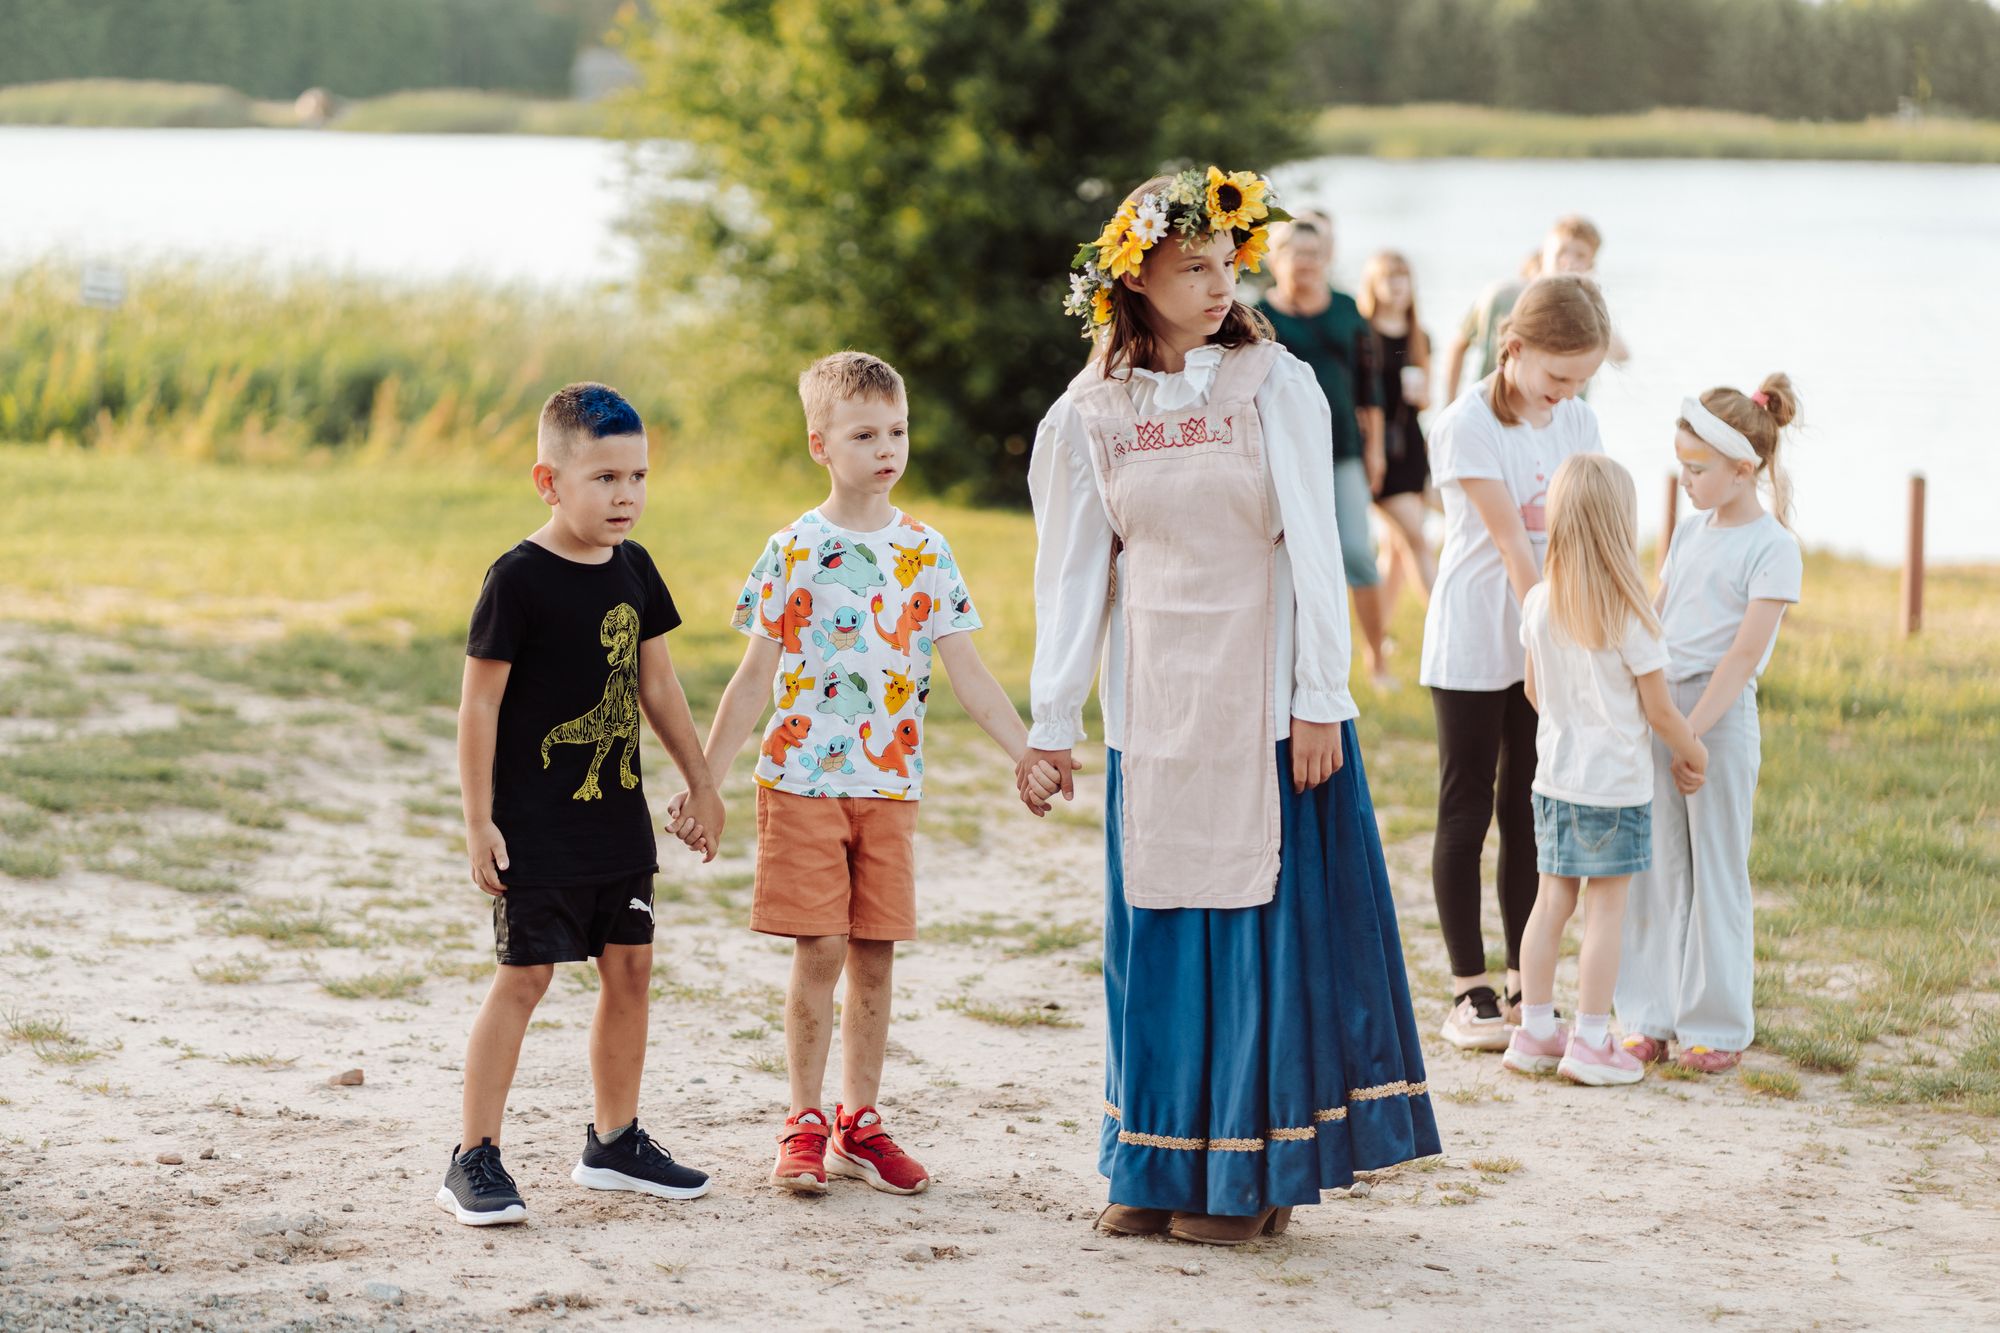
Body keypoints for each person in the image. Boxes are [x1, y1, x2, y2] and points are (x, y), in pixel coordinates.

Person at [1024, 167, 1438, 1247]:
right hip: (1158, 703)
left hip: (1269, 700)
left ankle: (1250, 1175)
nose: (1218, 288)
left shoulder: (1273, 385)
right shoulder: (1090, 411)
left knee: (1260, 933)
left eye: (1225, 266)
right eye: (1191, 269)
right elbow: (1072, 575)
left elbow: (1318, 546)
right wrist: (1053, 722)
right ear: (1134, 279)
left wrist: (1320, 697)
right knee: (1161, 933)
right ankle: (1154, 1161)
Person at [686, 351, 1048, 1196]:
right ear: (820, 444)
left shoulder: (927, 550)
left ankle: (860, 1122)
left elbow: (968, 671)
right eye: (864, 435)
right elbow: (752, 679)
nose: (887, 449)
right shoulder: (793, 549)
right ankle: (803, 1120)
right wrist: (707, 778)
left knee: (875, 955)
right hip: (801, 783)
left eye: (897, 431)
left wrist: (1025, 750)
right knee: (820, 949)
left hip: (889, 789)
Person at [441, 383, 723, 1226]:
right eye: (604, 477)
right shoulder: (518, 579)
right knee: (525, 976)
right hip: (535, 828)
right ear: (549, 481)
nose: (626, 495)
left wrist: (703, 781)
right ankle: (473, 1156)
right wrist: (478, 819)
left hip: (616, 823)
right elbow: (478, 706)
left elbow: (658, 685)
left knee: (629, 968)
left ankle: (614, 1142)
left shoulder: (635, 568)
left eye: (637, 476)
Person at [1419, 275, 1613, 1050]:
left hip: (1549, 634)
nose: (1568, 393)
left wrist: (1581, 636)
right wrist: (1541, 636)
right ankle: (1469, 989)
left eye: (1581, 379)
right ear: (1514, 346)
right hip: (1476, 635)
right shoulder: (1465, 424)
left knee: (1530, 810)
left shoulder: (1580, 421)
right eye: (1558, 375)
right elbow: (1510, 542)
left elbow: (1582, 535)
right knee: (1466, 806)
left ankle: (1525, 982)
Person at [1616, 375, 1803, 1073]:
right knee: (1656, 868)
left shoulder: (1773, 546)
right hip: (1664, 711)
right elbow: (1658, 616)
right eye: (1681, 466)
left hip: (1716, 722)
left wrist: (1691, 735)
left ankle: (1716, 1024)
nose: (1686, 480)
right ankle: (1648, 1015)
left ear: (1743, 469)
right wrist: (1657, 715)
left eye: (1697, 468)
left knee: (1716, 869)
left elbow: (1743, 654)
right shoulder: (1690, 530)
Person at [1501, 455, 1707, 1087]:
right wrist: (1694, 752)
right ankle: (1592, 1041)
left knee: (1550, 902)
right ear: (1620, 524)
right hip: (1614, 789)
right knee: (1605, 913)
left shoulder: (1540, 603)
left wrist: (1570, 725)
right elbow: (1660, 711)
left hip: (1554, 780)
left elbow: (1533, 690)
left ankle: (1536, 1030)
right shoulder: (1632, 614)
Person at [1256, 211, 1394, 690]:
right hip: (1281, 457)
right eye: (1296, 253)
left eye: (1314, 254)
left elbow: (1369, 383)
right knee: (1292, 562)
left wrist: (1376, 450)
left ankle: (1377, 659)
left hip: (1344, 450)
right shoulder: (1259, 316)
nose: (1306, 262)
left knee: (1357, 551)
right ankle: (1295, 666)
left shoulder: (1346, 308)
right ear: (1276, 260)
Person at [1441, 215, 1629, 403]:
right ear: (1544, 253)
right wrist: (1449, 403)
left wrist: (1583, 297)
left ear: (1591, 266)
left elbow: (1622, 355)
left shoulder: (1587, 310)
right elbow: (1458, 346)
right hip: (1494, 406)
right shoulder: (1502, 296)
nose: (1568, 261)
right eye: (1561, 252)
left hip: (1562, 412)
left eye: (1580, 256)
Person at [1357, 249, 1437, 624]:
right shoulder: (1363, 333)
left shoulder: (1419, 335)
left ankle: (1378, 644)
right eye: (1389, 277)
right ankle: (1445, 626)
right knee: (1416, 540)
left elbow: (1427, 399)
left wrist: (1422, 396)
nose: (1398, 285)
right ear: (1373, 284)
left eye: (1403, 277)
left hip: (1411, 445)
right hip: (1377, 450)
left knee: (1396, 548)